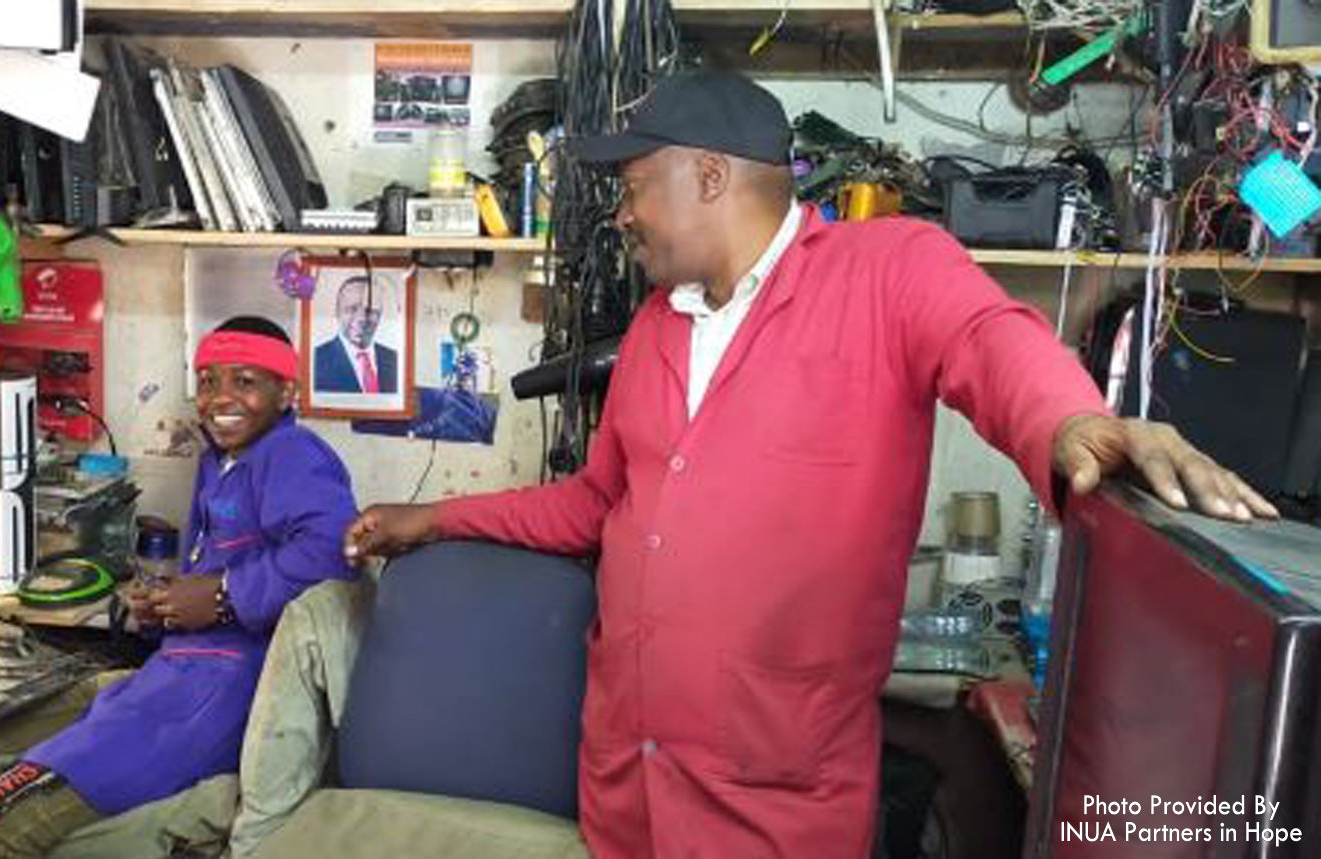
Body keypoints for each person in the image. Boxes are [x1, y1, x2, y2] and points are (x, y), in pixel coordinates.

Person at [344, 69, 1276, 857]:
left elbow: (989, 337)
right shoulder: (652, 334)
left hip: (774, 804)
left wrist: (1071, 421)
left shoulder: (885, 270)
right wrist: (433, 519)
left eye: (633, 184)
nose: (622, 214)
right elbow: (597, 504)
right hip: (626, 788)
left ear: (708, 174)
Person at [0, 316, 358, 857]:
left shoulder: (292, 453)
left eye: (245, 381)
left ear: (286, 392)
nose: (220, 398)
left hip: (215, 694)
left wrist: (220, 596)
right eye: (209, 381)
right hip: (174, 675)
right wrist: (163, 607)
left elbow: (332, 551)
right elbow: (219, 572)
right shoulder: (222, 461)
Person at [313, 275, 399, 394]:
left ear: (380, 314)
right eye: (352, 309)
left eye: (370, 310)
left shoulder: (395, 361)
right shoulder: (315, 362)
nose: (362, 318)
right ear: (337, 312)